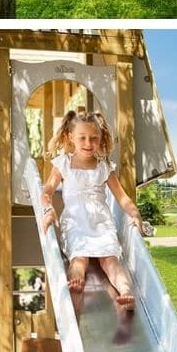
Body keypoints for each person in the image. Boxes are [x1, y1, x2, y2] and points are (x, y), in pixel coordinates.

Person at [40, 110, 144, 325]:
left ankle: (125, 291)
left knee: (110, 260)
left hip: (101, 222)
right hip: (76, 222)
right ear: (70, 137)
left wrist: (135, 214)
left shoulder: (104, 167)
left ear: (101, 138)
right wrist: (47, 210)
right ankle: (76, 280)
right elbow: (47, 191)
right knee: (79, 259)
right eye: (82, 138)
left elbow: (122, 197)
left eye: (94, 138)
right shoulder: (64, 164)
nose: (88, 143)